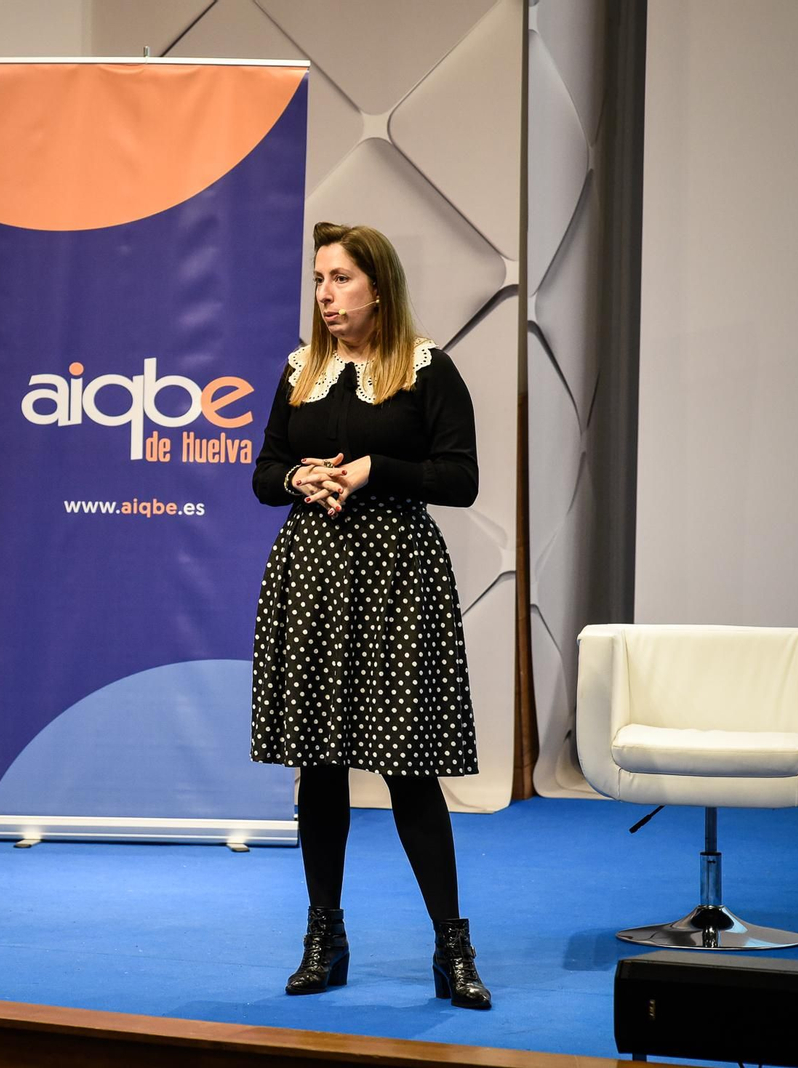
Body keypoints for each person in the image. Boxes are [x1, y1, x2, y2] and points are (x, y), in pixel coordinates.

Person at [249, 221, 491, 1010]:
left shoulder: (426, 368)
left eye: (341, 278)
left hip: (395, 579)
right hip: (313, 576)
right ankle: (324, 937)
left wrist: (371, 470)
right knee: (319, 766)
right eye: (319, 280)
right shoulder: (300, 370)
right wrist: (299, 480)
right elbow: (263, 472)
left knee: (409, 767)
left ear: (378, 288)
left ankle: (452, 946)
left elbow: (459, 479)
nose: (326, 294)